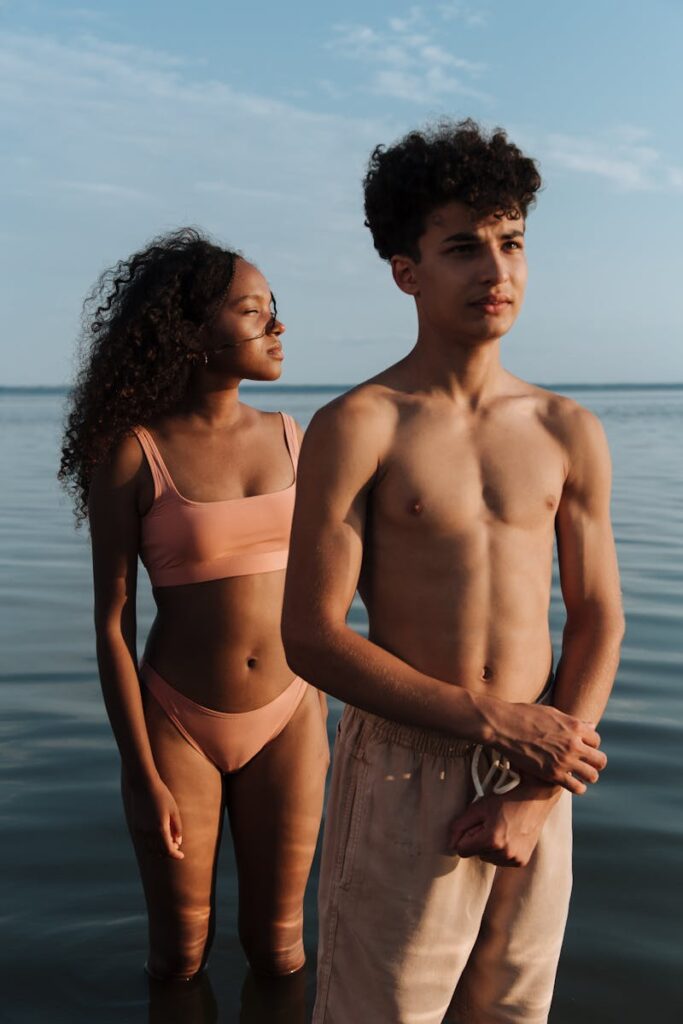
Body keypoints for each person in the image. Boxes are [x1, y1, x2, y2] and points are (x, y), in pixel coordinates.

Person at [282, 121, 624, 1023]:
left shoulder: (566, 429)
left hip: (541, 764)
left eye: (511, 243)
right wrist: (496, 720)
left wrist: (540, 788)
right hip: (408, 763)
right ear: (407, 271)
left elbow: (597, 617)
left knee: (512, 1013)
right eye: (464, 248)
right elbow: (309, 637)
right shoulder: (360, 424)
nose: (495, 270)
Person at [59, 228, 329, 990]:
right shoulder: (132, 453)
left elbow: (336, 587)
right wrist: (140, 772)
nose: (276, 324)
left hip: (290, 714)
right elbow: (111, 624)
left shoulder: (295, 439)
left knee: (280, 951)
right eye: (252, 310)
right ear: (191, 332)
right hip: (176, 723)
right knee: (179, 955)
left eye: (272, 306)